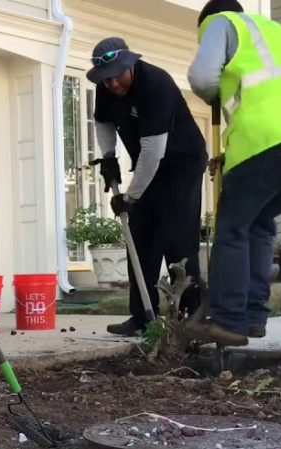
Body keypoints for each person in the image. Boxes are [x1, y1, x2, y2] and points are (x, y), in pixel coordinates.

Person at [187, 0, 281, 346]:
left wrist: (214, 92)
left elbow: (202, 77)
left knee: (233, 226)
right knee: (260, 222)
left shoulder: (221, 23)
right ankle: (253, 317)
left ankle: (229, 321)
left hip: (267, 138)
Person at [87, 37, 208, 337]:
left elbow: (154, 149)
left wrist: (131, 197)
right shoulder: (105, 87)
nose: (113, 83)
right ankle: (142, 317)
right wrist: (108, 158)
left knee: (177, 240)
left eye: (117, 75)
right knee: (139, 238)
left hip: (182, 164)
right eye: (106, 78)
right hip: (148, 164)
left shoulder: (156, 84)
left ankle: (192, 317)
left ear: (131, 64)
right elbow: (102, 122)